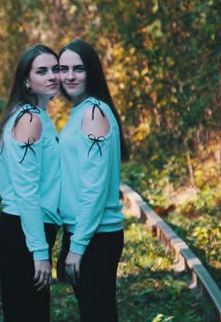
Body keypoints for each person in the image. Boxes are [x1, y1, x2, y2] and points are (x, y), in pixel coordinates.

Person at [55, 39, 129, 322]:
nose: (70, 75)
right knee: (93, 312)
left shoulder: (94, 113)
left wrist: (77, 246)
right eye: (64, 68)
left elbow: (95, 188)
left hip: (95, 237)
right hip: (84, 232)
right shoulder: (82, 111)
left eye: (78, 68)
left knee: (98, 314)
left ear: (92, 72)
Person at [0, 44, 63, 322]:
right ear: (26, 80)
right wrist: (40, 251)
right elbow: (27, 190)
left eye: (55, 69)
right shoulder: (30, 119)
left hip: (26, 231)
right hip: (22, 234)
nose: (52, 76)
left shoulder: (36, 115)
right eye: (42, 71)